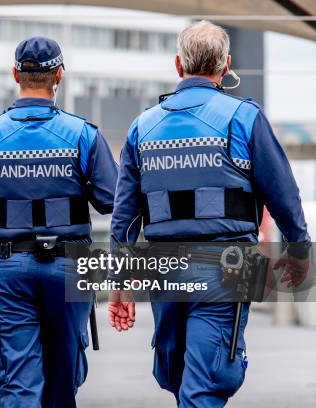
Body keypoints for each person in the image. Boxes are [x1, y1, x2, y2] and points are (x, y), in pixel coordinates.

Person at [109, 20, 310, 407]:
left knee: (181, 376)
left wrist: (120, 280)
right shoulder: (244, 119)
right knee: (203, 381)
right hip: (227, 264)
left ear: (178, 65)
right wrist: (299, 250)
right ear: (226, 65)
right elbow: (283, 194)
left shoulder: (142, 127)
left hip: (163, 266)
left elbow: (125, 216)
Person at [0, 36, 118, 408]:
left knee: (19, 380)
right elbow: (112, 201)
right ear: (59, 75)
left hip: (9, 268)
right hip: (70, 266)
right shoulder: (83, 135)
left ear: (14, 74)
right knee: (63, 379)